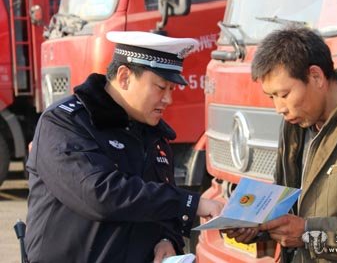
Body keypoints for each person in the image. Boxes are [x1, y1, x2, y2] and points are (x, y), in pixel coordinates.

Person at [25, 31, 223, 263]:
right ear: (124, 77)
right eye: (161, 87)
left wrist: (168, 240)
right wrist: (190, 202)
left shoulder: (154, 136)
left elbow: (159, 208)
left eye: (172, 89)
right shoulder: (65, 123)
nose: (168, 99)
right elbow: (99, 195)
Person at [224, 26, 337, 262]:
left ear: (316, 76)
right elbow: (289, 208)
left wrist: (309, 234)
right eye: (272, 97)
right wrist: (257, 226)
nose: (279, 108)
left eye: (284, 94)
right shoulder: (294, 127)